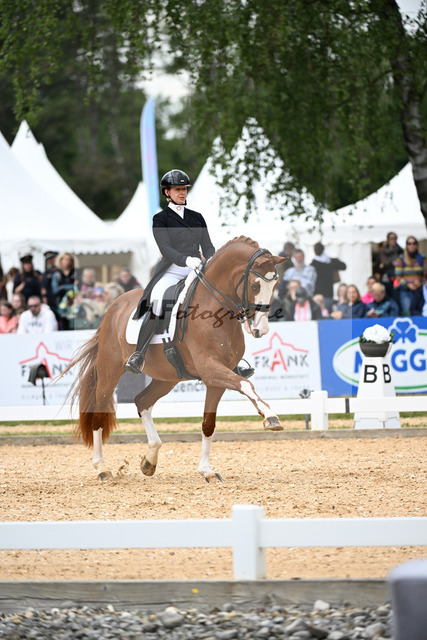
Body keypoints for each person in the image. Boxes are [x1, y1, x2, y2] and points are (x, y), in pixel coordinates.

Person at [125, 169, 215, 374]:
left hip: (196, 269)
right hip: (173, 270)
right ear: (167, 192)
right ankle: (139, 354)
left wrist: (211, 259)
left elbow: (208, 246)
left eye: (184, 189)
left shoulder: (197, 217)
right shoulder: (161, 218)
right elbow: (165, 248)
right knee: (158, 301)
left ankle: (229, 356)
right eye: (177, 189)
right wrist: (186, 260)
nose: (182, 193)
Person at [393, 236, 427, 315]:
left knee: (420, 311)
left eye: (414, 243)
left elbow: (425, 274)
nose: (412, 245)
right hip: (406, 290)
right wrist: (408, 284)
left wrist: (420, 283)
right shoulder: (401, 258)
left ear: (417, 245)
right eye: (409, 243)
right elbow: (398, 275)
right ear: (406, 245)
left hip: (420, 290)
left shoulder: (422, 258)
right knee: (407, 312)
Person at [311, 242, 346, 312]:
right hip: (327, 293)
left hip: (321, 294)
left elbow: (344, 266)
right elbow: (343, 266)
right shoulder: (330, 261)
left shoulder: (314, 264)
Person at [52, 252, 80, 329]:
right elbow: (55, 290)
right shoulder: (57, 274)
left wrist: (62, 287)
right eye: (66, 259)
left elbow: (78, 287)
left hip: (73, 305)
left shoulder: (75, 273)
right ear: (61, 260)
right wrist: (70, 286)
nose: (68, 262)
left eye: (70, 260)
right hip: (61, 305)